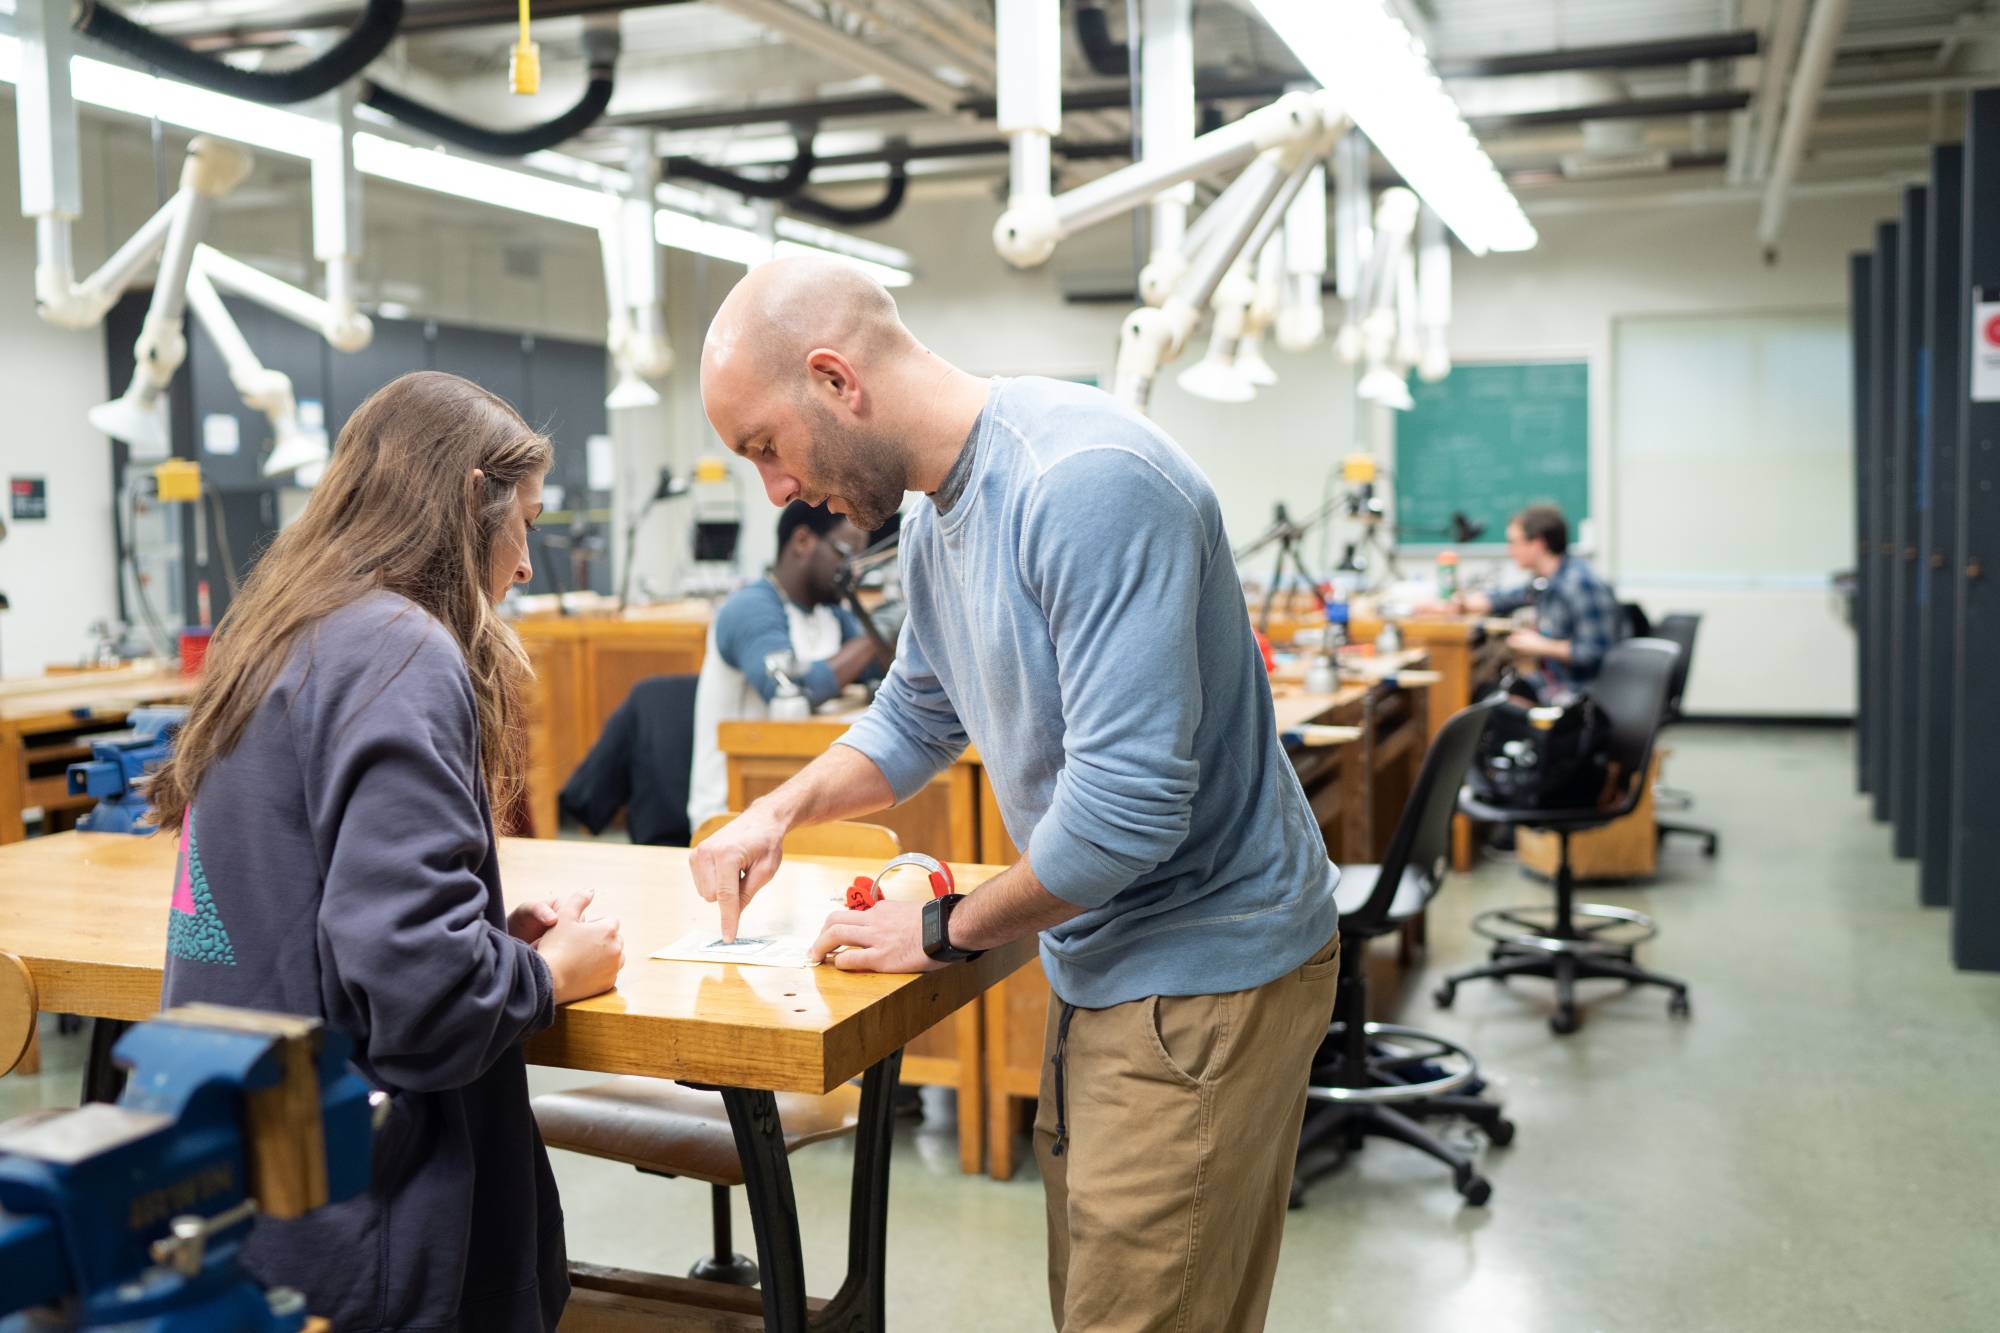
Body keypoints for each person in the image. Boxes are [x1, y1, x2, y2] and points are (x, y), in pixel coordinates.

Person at [689, 256, 1340, 1333]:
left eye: (766, 445)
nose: (775, 487)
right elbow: (913, 715)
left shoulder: (1078, 484)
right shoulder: (945, 513)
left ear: (834, 380)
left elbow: (1125, 814)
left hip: (1203, 970)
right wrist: (778, 809)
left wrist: (941, 928)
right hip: (1105, 958)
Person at [147, 371, 625, 1333]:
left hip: (259, 1186)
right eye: (521, 521)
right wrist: (545, 979)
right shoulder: (402, 651)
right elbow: (422, 996)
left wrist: (494, 939)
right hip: (371, 1214)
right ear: (465, 501)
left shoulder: (279, 630)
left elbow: (332, 912)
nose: (526, 564)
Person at [686, 500, 882, 830]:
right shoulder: (749, 607)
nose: (854, 570)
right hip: (732, 817)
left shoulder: (829, 611)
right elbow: (789, 695)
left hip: (798, 808)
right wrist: (875, 637)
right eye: (846, 554)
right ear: (803, 541)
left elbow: (877, 670)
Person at [1445, 502, 1625, 693]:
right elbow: (1507, 598)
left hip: (1578, 693)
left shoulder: (1580, 584)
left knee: (1489, 703)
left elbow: (1595, 653)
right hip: (1552, 682)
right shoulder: (1546, 580)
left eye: (1514, 542)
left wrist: (1542, 646)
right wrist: (1461, 605)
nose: (1510, 550)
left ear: (1538, 544)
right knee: (1486, 692)